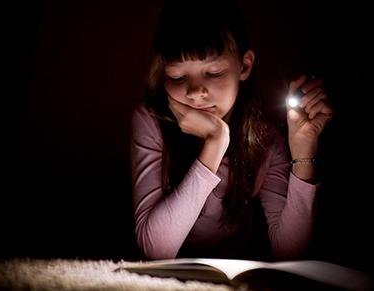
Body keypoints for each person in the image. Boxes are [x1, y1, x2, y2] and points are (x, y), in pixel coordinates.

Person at [130, 0, 333, 261]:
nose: (195, 93)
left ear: (245, 66)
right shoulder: (151, 120)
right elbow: (155, 249)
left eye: (213, 73)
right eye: (178, 77)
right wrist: (215, 142)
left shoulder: (266, 141)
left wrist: (305, 148)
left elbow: (290, 251)